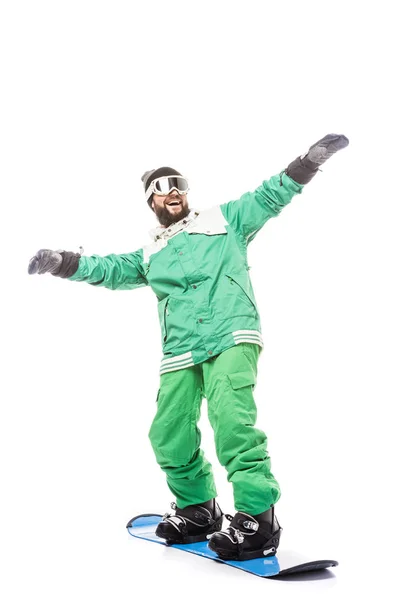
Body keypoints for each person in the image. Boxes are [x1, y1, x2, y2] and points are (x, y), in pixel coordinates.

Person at [28, 133, 349, 561]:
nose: (171, 191)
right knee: (168, 433)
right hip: (180, 348)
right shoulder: (150, 253)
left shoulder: (224, 220)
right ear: (151, 202)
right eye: (160, 188)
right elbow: (106, 268)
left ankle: (258, 520)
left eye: (177, 183)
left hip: (231, 332)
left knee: (232, 421)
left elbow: (269, 196)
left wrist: (307, 163)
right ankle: (199, 509)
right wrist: (63, 262)